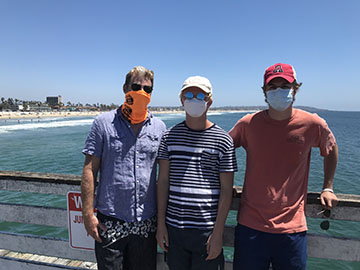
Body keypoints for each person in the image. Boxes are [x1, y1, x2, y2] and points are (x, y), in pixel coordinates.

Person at [229, 63, 339, 270]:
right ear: (264, 92)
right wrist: (225, 184)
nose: (279, 91)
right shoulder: (248, 124)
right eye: (273, 87)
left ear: (295, 89)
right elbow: (222, 149)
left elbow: (331, 149)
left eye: (285, 86)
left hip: (292, 228)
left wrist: (328, 186)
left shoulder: (312, 124)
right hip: (250, 226)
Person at [81, 66, 166, 270]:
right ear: (125, 88)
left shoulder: (159, 128)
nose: (142, 92)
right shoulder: (103, 123)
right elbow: (89, 170)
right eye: (136, 86)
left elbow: (163, 178)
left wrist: (162, 222)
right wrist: (87, 214)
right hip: (110, 223)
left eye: (148, 89)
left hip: (146, 224)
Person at [156, 76, 238, 270]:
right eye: (189, 95)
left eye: (200, 95)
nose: (194, 99)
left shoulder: (223, 140)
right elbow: (163, 182)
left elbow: (226, 190)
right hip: (175, 229)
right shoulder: (169, 137)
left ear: (209, 101)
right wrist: (161, 226)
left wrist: (217, 234)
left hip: (206, 231)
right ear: (181, 100)